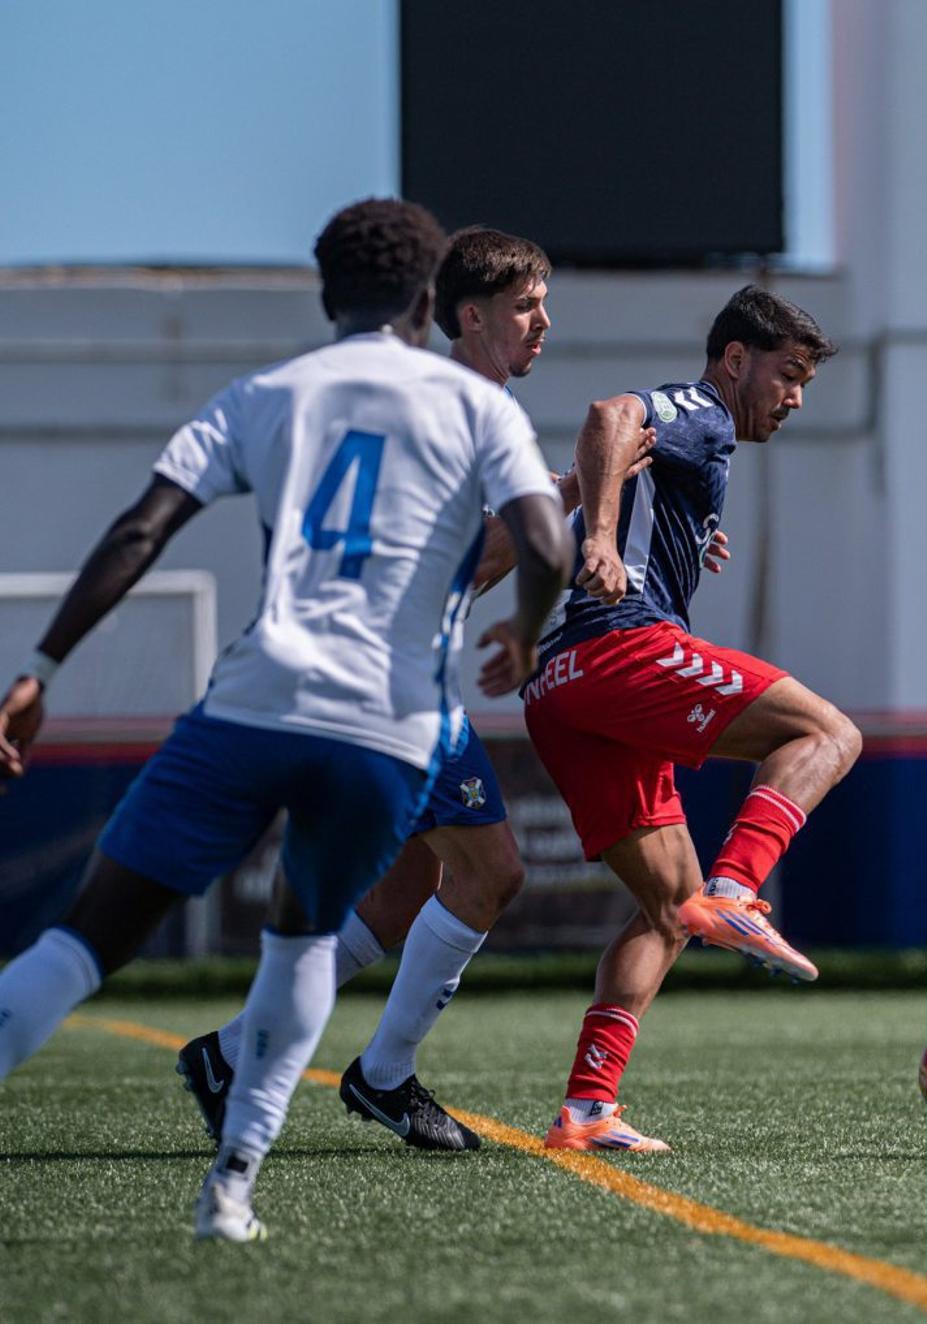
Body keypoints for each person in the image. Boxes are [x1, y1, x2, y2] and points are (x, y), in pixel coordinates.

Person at [0, 198, 573, 1240]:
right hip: (387, 728)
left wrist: (41, 667)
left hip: (252, 704)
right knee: (302, 940)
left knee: (83, 943)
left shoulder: (263, 394)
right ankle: (231, 1189)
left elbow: (142, 528)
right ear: (426, 299)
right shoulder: (476, 409)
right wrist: (528, 633)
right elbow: (546, 544)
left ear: (324, 295)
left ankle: (338, 1086)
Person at [176, 226, 678, 1152]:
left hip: (366, 677)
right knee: (495, 873)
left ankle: (231, 1055)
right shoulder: (460, 413)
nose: (544, 324)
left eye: (544, 303)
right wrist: (562, 502)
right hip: (389, 688)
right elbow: (474, 559)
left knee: (402, 892)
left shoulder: (446, 407)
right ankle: (383, 1076)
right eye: (526, 306)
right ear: (471, 315)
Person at [523, 285, 861, 1152]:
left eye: (806, 385)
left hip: (556, 690)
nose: (793, 398)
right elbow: (610, 414)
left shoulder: (703, 452)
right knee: (827, 734)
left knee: (670, 912)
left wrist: (667, 527)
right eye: (787, 376)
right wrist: (601, 536)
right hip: (616, 649)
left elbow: (626, 475)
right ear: (736, 359)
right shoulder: (704, 410)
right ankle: (743, 888)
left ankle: (587, 1110)